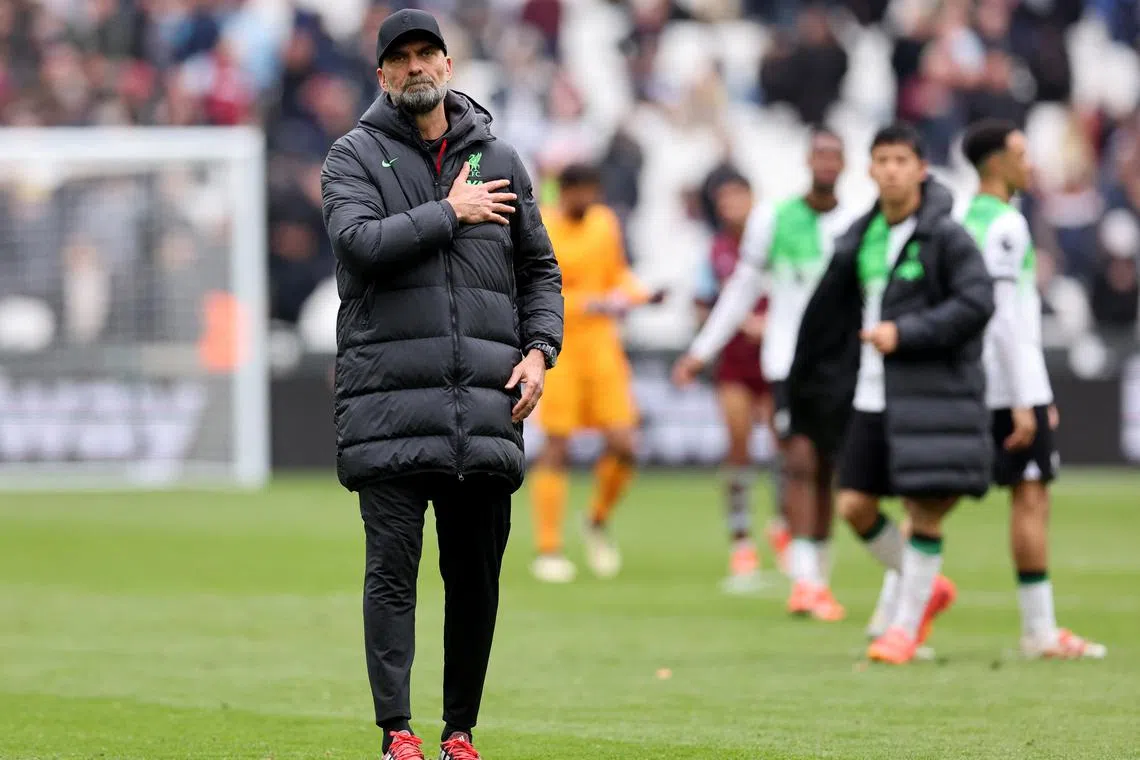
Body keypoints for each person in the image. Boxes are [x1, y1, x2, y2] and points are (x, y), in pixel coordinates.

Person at [320, 10, 564, 760]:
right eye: (402, 58)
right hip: (390, 402)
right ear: (383, 75)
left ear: (449, 66)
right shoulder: (352, 156)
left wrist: (539, 350)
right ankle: (397, 731)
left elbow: (539, 271)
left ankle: (460, 731)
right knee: (393, 576)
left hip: (484, 406)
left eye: (428, 53)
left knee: (475, 582)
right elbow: (358, 245)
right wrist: (448, 211)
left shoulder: (502, 158)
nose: (416, 66)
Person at [787, 122, 995, 664]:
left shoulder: (946, 237)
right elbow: (829, 313)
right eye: (882, 160)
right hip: (870, 395)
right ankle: (926, 585)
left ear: (921, 169)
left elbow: (977, 304)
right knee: (854, 505)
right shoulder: (862, 237)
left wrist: (908, 334)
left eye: (902, 160)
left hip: (930, 393)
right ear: (870, 169)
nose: (892, 170)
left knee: (923, 509)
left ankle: (904, 628)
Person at [673, 129, 852, 616]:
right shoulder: (765, 226)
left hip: (836, 366)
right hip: (774, 363)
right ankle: (781, 562)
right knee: (790, 459)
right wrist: (700, 350)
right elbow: (732, 294)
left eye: (835, 155)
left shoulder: (854, 223)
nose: (826, 162)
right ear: (807, 160)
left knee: (823, 469)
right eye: (819, 154)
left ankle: (804, 556)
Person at [957, 118, 1105, 658]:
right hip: (1008, 386)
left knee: (933, 500)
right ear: (996, 162)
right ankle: (1039, 631)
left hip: (976, 381)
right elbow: (1003, 319)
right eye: (1021, 154)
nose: (1031, 163)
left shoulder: (963, 219)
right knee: (1031, 497)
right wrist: (1027, 398)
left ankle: (897, 618)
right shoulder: (1006, 226)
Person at [529, 162, 663, 583]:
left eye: (592, 192)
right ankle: (548, 548)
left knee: (625, 444)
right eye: (579, 192)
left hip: (603, 347)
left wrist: (641, 294)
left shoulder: (604, 224)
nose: (587, 200)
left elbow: (616, 274)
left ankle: (597, 519)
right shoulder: (543, 225)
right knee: (557, 445)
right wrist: (589, 303)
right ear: (563, 193)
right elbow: (535, 287)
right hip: (560, 346)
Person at [683, 171, 776, 593]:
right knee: (738, 446)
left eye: (738, 198)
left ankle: (787, 529)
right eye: (724, 200)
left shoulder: (775, 245)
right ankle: (741, 541)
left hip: (777, 362)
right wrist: (725, 323)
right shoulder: (716, 251)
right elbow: (701, 305)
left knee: (787, 448)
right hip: (736, 365)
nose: (730, 207)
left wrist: (770, 324)